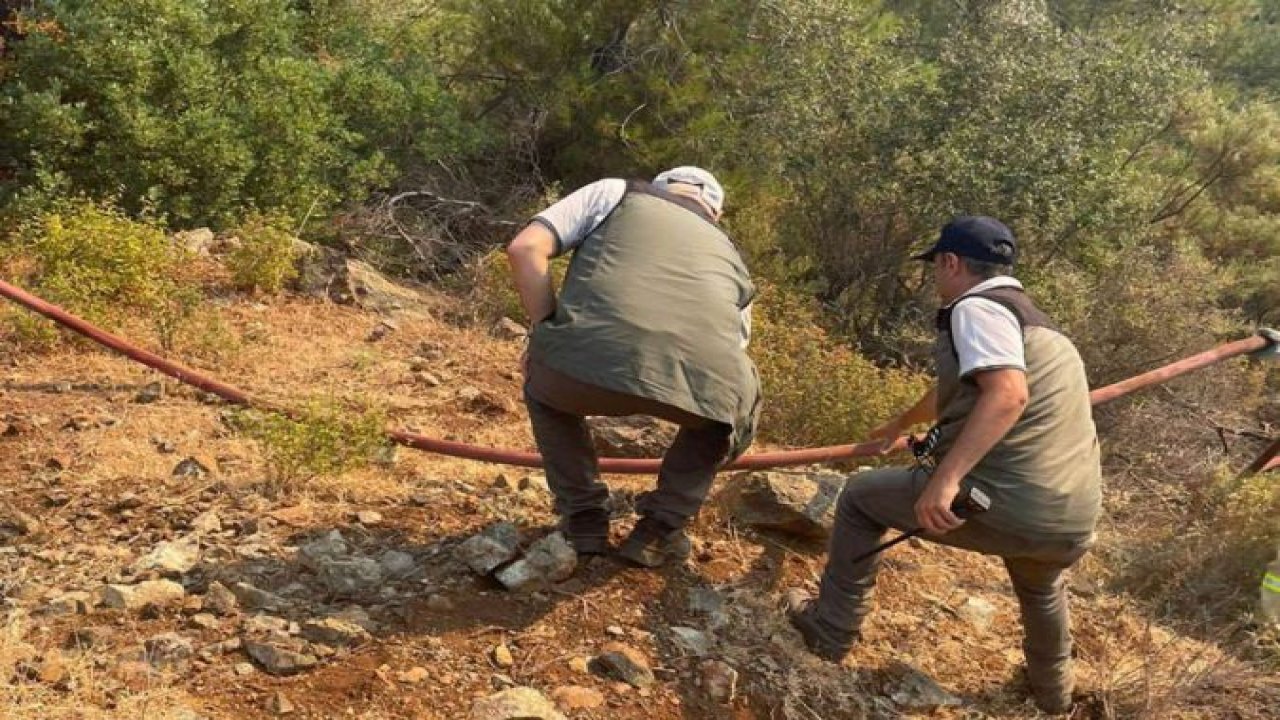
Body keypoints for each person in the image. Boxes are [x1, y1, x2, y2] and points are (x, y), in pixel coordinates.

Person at [787, 216, 1101, 715]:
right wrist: (897, 424)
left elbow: (1007, 395)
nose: (936, 276)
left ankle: (830, 629)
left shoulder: (975, 307)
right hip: (1072, 520)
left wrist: (945, 479)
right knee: (1042, 588)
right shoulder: (1044, 330)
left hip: (1004, 503)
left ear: (951, 262)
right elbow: (962, 387)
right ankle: (1054, 697)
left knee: (859, 500)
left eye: (936, 265)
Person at [505, 167, 760, 568]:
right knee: (725, 412)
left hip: (580, 370)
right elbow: (733, 351)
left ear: (661, 188)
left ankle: (584, 518)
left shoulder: (616, 193)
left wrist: (544, 332)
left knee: (545, 391)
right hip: (701, 390)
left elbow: (525, 249)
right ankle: (660, 529)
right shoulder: (731, 252)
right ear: (715, 214)